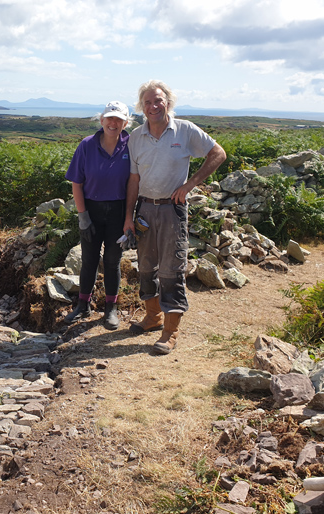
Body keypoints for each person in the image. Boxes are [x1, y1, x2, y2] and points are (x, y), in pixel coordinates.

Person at [124, 80, 227, 354]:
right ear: (141, 107)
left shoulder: (185, 130)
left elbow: (218, 153)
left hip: (172, 209)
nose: (153, 106)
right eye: (147, 102)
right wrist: (128, 216)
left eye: (158, 100)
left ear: (168, 102)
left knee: (171, 270)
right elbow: (133, 179)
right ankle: (153, 317)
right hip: (144, 209)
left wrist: (190, 184)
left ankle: (170, 332)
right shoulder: (136, 136)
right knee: (146, 267)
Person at [64, 101, 131, 330]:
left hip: (119, 211)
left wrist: (130, 218)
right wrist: (83, 216)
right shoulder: (87, 145)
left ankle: (110, 309)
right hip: (91, 209)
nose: (113, 123)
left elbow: (135, 183)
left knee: (113, 261)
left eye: (119, 119)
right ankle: (83, 305)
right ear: (101, 120)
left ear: (126, 123)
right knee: (89, 259)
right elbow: (77, 182)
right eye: (109, 118)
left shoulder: (131, 146)